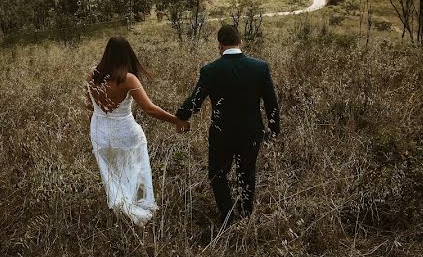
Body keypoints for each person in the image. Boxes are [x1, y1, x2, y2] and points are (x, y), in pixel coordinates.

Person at [176, 25, 280, 226]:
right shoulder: (260, 67)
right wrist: (273, 130)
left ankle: (227, 217)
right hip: (251, 132)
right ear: (240, 42)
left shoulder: (210, 70)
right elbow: (271, 103)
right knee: (246, 173)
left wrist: (181, 116)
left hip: (221, 133)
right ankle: (245, 214)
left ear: (219, 45)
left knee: (218, 174)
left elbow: (196, 100)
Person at [86, 37, 187, 225]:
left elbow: (89, 106)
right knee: (134, 170)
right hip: (126, 133)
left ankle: (121, 208)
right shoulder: (128, 79)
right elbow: (149, 109)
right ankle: (135, 208)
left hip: (99, 132)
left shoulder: (92, 74)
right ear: (127, 54)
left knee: (111, 173)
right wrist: (175, 120)